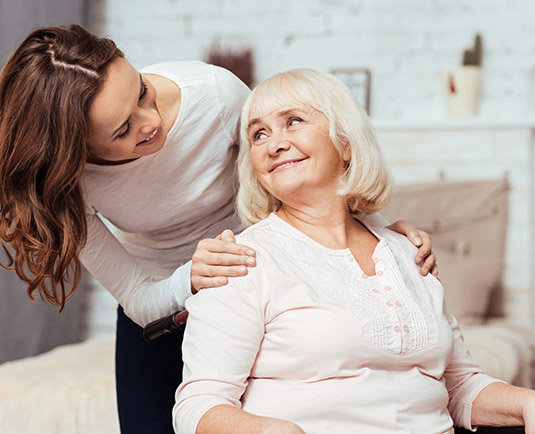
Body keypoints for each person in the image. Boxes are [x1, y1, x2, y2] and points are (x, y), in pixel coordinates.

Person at [0, 25, 436, 434]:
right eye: (123, 130)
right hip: (159, 305)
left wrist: (378, 238)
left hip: (254, 286)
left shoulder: (213, 94)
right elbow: (137, 297)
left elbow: (292, 176)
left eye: (143, 92)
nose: (150, 121)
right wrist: (189, 276)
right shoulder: (63, 185)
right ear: (75, 150)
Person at [173, 69, 535, 434]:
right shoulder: (242, 260)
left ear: (345, 143)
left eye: (293, 121)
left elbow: (458, 385)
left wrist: (527, 403)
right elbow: (198, 406)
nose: (273, 144)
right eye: (258, 134)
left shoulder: (407, 252)